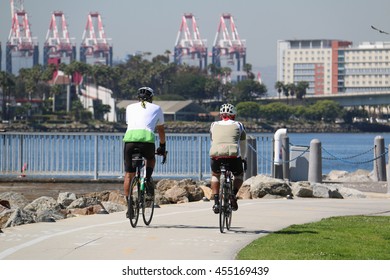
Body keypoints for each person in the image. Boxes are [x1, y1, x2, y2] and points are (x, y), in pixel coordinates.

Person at [123, 86, 166, 217]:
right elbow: (161, 130)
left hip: (129, 141)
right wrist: (162, 146)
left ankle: (129, 205)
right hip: (147, 141)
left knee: (128, 174)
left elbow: (129, 123)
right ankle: (147, 178)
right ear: (151, 98)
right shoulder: (157, 108)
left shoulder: (129, 107)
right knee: (151, 159)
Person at [209, 103, 247, 214]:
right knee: (239, 175)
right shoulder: (239, 125)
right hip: (233, 156)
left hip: (216, 155)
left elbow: (212, 140)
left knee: (215, 175)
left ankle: (216, 201)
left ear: (221, 115)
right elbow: (243, 144)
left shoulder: (213, 125)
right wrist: (243, 158)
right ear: (233, 116)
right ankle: (233, 195)